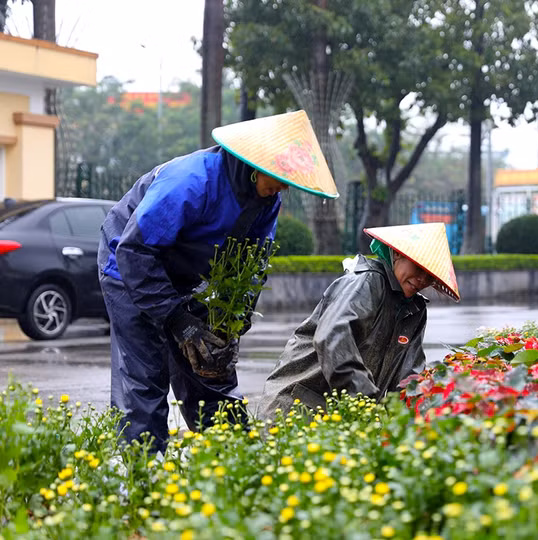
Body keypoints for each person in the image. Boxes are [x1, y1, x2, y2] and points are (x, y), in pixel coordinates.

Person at [98, 111, 338, 452]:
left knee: (210, 370)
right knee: (146, 379)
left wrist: (230, 327)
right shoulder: (191, 181)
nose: (283, 188)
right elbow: (135, 251)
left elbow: (249, 266)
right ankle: (143, 481)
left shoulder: (266, 199)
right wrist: (178, 319)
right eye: (281, 179)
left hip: (183, 276)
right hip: (128, 267)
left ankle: (233, 467)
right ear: (257, 166)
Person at [257, 222, 460, 419]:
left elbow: (408, 377)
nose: (422, 280)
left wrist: (417, 418)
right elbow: (333, 338)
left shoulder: (415, 310)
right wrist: (365, 403)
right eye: (418, 268)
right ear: (398, 254)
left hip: (344, 415)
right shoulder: (366, 282)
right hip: (295, 407)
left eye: (430, 276)